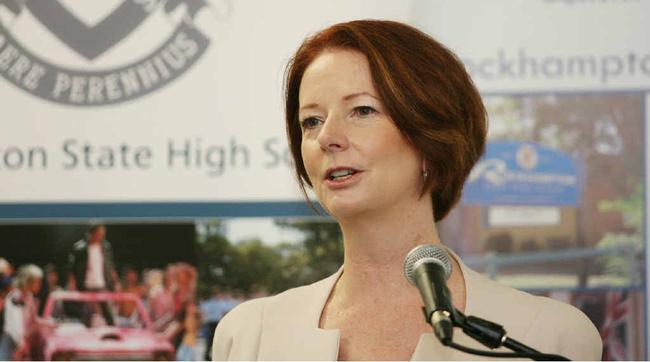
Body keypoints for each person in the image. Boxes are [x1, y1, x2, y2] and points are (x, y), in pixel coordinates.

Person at [211, 20, 603, 361]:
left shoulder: (549, 336)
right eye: (311, 121)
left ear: (431, 140)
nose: (327, 137)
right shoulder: (248, 336)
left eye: (362, 110)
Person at [0, 264, 43, 360]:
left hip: (22, 343)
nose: (40, 285)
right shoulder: (15, 297)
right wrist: (22, 344)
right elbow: (15, 324)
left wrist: (46, 324)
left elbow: (34, 319)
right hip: (12, 342)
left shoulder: (29, 296)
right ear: (28, 281)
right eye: (38, 281)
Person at [67, 224, 119, 292]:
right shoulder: (79, 248)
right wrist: (71, 284)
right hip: (86, 285)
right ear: (92, 233)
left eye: (103, 234)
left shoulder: (106, 247)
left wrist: (116, 282)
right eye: (99, 234)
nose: (102, 237)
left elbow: (110, 266)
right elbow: (72, 269)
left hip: (102, 285)